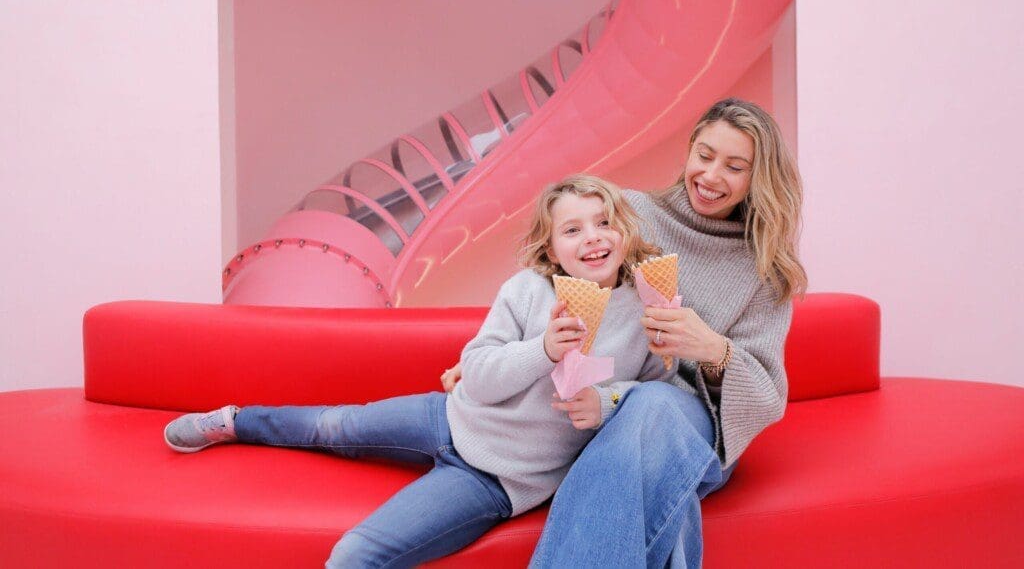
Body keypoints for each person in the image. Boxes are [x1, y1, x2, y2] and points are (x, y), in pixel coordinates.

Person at [163, 174, 677, 568]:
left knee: (352, 556)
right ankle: (236, 421)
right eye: (573, 229)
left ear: (625, 231)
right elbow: (476, 373)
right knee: (334, 426)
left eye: (604, 222)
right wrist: (541, 349)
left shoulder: (647, 309)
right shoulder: (525, 290)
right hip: (449, 417)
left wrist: (607, 403)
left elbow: (652, 396)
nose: (592, 237)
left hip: (497, 481)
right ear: (550, 248)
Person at [442, 98, 807, 568]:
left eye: (735, 166)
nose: (712, 176)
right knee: (644, 451)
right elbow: (552, 272)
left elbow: (767, 398)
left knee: (652, 405)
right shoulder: (633, 212)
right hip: (609, 405)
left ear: (758, 178)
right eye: (704, 154)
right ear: (689, 150)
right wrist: (494, 356)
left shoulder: (765, 272)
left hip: (690, 420)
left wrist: (714, 350)